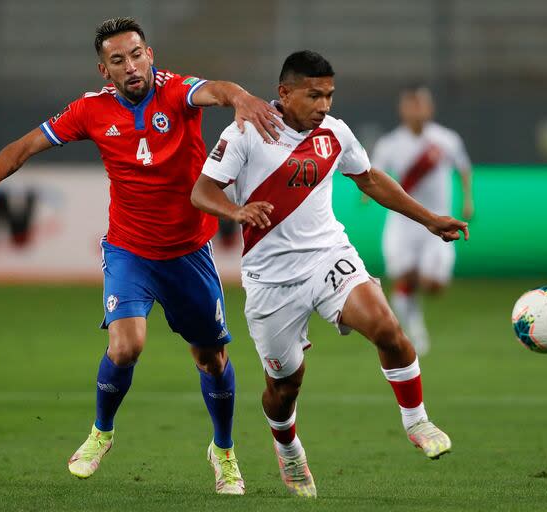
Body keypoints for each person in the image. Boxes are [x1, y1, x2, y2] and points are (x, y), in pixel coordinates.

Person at [0, 17, 284, 496]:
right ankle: (101, 433)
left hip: (188, 253)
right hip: (129, 250)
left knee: (211, 359)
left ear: (150, 55)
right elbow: (25, 146)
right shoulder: (90, 110)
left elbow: (216, 90)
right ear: (104, 70)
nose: (131, 66)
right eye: (118, 60)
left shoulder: (176, 93)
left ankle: (224, 451)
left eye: (137, 54)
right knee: (126, 346)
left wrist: (242, 98)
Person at [190, 51, 468, 498]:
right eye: (314, 95)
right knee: (284, 387)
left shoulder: (335, 133)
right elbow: (202, 192)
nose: (324, 105)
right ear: (285, 93)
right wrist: (237, 210)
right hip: (271, 279)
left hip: (327, 256)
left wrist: (430, 219)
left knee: (386, 328)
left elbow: (371, 179)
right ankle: (288, 447)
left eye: (330, 95)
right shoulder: (245, 132)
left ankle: (417, 420)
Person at [370, 86, 473, 355]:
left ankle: (411, 296)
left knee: (433, 285)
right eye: (411, 104)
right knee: (403, 276)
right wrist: (366, 196)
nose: (416, 109)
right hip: (403, 224)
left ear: (430, 107)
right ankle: (414, 329)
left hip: (438, 223)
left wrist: (467, 200)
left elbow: (464, 168)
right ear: (402, 109)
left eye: (421, 104)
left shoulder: (446, 140)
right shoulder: (390, 144)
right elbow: (373, 174)